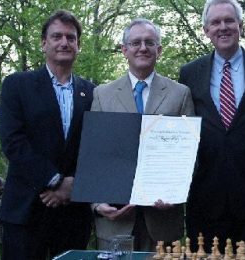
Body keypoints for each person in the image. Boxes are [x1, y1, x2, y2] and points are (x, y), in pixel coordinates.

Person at [179, 0, 245, 254]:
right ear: (206, 30)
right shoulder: (189, 73)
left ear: (241, 26)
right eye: (215, 22)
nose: (222, 27)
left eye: (229, 21)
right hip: (205, 196)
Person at [0, 10, 95, 259]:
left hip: (74, 213)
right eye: (57, 36)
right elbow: (13, 142)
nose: (64, 42)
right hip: (26, 210)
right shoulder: (17, 85)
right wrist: (55, 181)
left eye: (71, 38)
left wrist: (76, 185)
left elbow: (96, 148)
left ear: (78, 45)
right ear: (44, 43)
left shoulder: (92, 92)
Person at [91, 18, 194, 251]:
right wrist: (97, 204)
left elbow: (190, 154)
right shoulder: (102, 95)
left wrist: (175, 194)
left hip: (163, 219)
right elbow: (94, 155)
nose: (143, 48)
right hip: (115, 218)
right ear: (124, 50)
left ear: (159, 50)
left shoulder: (180, 94)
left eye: (150, 42)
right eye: (135, 42)